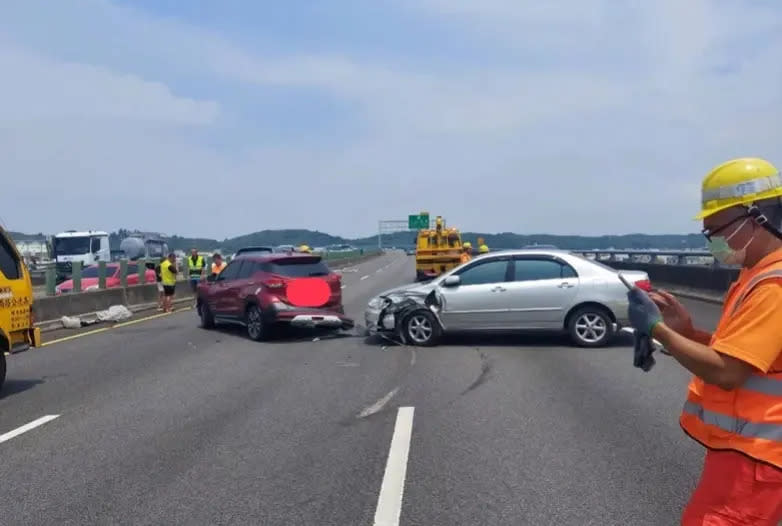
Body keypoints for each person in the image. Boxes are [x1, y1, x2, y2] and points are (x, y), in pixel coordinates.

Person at [626, 157, 782, 524]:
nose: (711, 240)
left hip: (759, 458)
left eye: (714, 230)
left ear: (754, 218)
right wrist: (689, 333)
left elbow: (728, 371)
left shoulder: (773, 285)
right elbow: (754, 355)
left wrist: (656, 329)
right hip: (748, 452)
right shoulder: (755, 274)